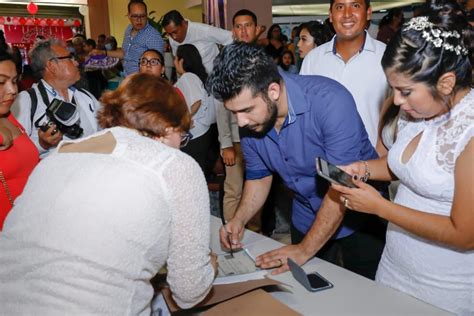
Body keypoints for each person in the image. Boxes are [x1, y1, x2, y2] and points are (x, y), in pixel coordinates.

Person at [0, 73, 217, 314]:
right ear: (168, 127)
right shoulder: (175, 165)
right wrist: (210, 268)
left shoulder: (59, 155)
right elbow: (189, 291)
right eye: (182, 136)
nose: (180, 145)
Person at [332, 7, 473, 314]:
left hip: (446, 287)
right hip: (396, 265)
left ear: (446, 83)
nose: (396, 101)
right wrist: (365, 169)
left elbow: (464, 234)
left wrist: (381, 208)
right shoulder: (421, 109)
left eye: (405, 91)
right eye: (394, 89)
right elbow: (403, 166)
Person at [207, 42, 378, 276]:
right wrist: (239, 219)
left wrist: (304, 250)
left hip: (360, 217)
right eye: (233, 112)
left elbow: (341, 186)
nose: (241, 122)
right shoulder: (251, 121)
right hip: (306, 215)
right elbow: (259, 176)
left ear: (273, 91)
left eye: (246, 110)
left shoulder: (331, 101)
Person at [300, 0, 389, 147]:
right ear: (330, 15)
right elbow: (304, 114)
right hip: (324, 160)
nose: (347, 14)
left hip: (372, 160)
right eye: (340, 7)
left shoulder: (387, 57)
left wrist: (380, 157)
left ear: (368, 13)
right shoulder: (313, 59)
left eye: (355, 6)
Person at [217, 9, 264, 231]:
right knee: (234, 189)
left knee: (259, 188)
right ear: (233, 31)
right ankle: (230, 235)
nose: (243, 30)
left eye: (247, 25)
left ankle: (255, 236)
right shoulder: (227, 59)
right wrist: (225, 143)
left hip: (262, 136)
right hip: (236, 138)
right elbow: (220, 104)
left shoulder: (264, 59)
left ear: (256, 29)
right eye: (238, 26)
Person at [11, 39, 99, 158]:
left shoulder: (85, 97)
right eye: (70, 58)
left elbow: (108, 128)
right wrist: (42, 145)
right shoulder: (26, 101)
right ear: (51, 66)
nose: (77, 63)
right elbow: (14, 152)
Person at [0, 49, 39, 230]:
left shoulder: (7, 115)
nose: (12, 90)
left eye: (14, 81)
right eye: (1, 82)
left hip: (30, 224)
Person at [92, 0, 164, 76]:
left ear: (146, 15)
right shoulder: (128, 29)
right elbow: (125, 53)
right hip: (127, 77)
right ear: (129, 16)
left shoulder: (153, 36)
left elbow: (156, 67)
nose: (139, 20)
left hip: (142, 82)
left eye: (142, 16)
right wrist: (103, 53)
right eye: (135, 16)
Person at [174, 44, 214, 172]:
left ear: (182, 61)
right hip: (201, 132)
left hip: (195, 134)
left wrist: (186, 119)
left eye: (175, 58)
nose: (174, 62)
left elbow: (196, 101)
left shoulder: (188, 77)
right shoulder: (197, 76)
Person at [162, 10, 233, 74]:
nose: (174, 37)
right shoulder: (172, 38)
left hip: (213, 78)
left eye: (175, 32)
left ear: (183, 23)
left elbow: (231, 37)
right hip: (191, 81)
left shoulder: (204, 30)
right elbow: (177, 59)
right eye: (170, 34)